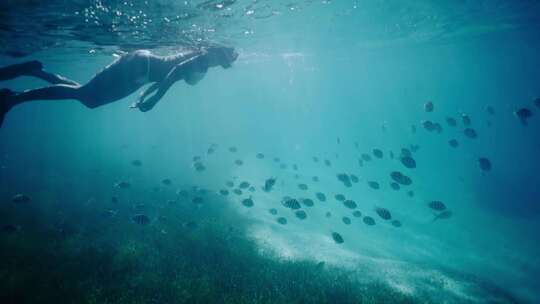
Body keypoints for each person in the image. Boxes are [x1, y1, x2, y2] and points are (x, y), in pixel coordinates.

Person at [0, 44, 238, 126]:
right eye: (224, 56)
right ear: (218, 51)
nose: (222, 61)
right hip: (139, 69)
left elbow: (169, 76)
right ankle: (12, 99)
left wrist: (148, 93)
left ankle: (34, 71)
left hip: (140, 68)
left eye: (226, 60)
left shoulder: (204, 61)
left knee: (87, 95)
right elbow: (174, 73)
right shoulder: (203, 58)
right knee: (87, 96)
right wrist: (153, 99)